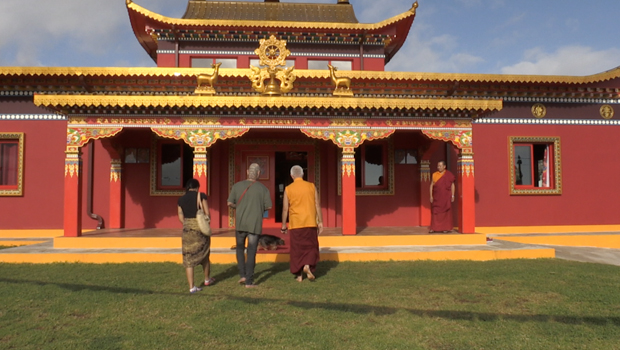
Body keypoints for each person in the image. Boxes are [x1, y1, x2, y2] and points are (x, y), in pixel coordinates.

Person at [227, 163, 272, 288]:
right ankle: (249, 281)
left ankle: (242, 275)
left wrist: (239, 207)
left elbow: (230, 203)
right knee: (251, 251)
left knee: (240, 249)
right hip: (254, 224)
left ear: (247, 172)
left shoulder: (237, 186)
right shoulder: (263, 189)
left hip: (240, 223)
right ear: (258, 173)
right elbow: (268, 206)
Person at [280, 165, 323, 282]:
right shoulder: (311, 186)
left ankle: (299, 275)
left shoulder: (289, 189)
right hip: (310, 221)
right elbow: (317, 205)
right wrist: (320, 221)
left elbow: (285, 208)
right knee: (311, 247)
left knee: (297, 249)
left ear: (291, 176)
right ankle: (307, 266)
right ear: (303, 175)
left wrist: (284, 225)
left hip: (296, 223)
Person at [177, 178, 214, 294]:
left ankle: (192, 287)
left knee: (188, 258)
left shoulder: (181, 199)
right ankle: (207, 279)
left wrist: (188, 224)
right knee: (205, 254)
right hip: (200, 230)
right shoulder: (201, 196)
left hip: (187, 230)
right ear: (197, 187)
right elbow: (207, 213)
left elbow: (180, 215)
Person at [429, 160, 455, 233]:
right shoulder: (434, 174)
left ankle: (445, 228)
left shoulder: (449, 175)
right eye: (438, 166)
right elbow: (431, 185)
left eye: (440, 166)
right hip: (437, 197)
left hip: (446, 196)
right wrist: (431, 196)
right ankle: (434, 228)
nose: (439, 167)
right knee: (435, 212)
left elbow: (452, 185)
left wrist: (453, 195)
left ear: (444, 166)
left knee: (446, 212)